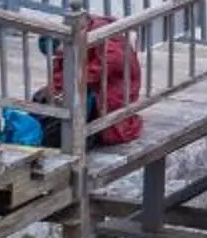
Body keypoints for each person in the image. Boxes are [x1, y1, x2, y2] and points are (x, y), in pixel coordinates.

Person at [40, 14, 144, 149]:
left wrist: (80, 79)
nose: (60, 55)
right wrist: (54, 91)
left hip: (113, 89)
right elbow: (60, 76)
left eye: (59, 52)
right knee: (46, 98)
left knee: (81, 102)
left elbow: (114, 60)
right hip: (94, 85)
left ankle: (80, 133)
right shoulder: (70, 43)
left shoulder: (101, 32)